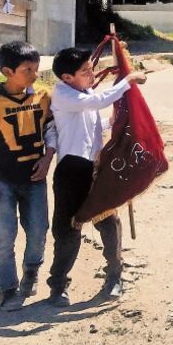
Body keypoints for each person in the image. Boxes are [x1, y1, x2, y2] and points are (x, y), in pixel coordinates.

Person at [47, 47, 146, 306]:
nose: (92, 75)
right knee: (68, 231)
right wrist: (127, 81)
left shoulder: (85, 92)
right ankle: (58, 286)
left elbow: (91, 126)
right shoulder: (63, 94)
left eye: (92, 68)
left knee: (109, 222)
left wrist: (115, 121)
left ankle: (115, 276)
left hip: (95, 169)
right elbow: (97, 103)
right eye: (85, 72)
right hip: (71, 172)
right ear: (67, 77)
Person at [0, 41, 56, 311]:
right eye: (27, 70)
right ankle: (7, 289)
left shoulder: (44, 96)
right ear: (8, 72)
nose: (34, 75)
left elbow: (52, 131)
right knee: (3, 236)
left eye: (36, 69)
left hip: (35, 178)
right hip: (2, 179)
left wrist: (48, 157)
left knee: (38, 231)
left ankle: (31, 271)